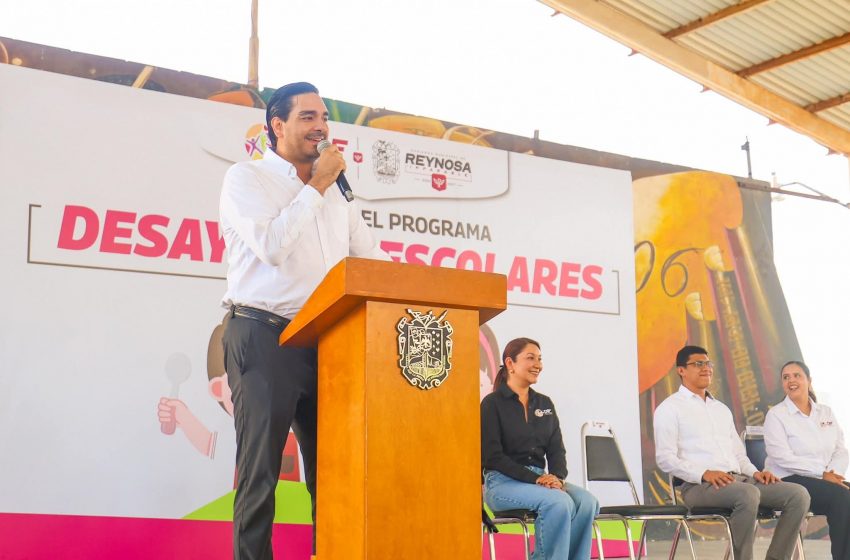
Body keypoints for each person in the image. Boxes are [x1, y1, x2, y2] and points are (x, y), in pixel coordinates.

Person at [219, 81, 386, 560]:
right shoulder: (246, 179)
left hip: (327, 342)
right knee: (261, 473)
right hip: (263, 333)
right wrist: (315, 186)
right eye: (308, 117)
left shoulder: (336, 194)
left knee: (333, 475)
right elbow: (271, 247)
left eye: (324, 119)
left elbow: (370, 261)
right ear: (277, 125)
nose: (321, 128)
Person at [654, 345, 810, 560]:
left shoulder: (720, 409)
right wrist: (704, 473)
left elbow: (738, 454)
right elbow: (665, 459)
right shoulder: (669, 408)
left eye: (708, 364)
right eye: (698, 364)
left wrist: (755, 473)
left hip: (739, 481)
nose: (706, 368)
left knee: (798, 495)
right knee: (747, 494)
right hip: (698, 487)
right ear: (681, 370)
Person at [481, 337, 599, 559]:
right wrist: (537, 480)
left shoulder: (544, 403)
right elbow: (492, 457)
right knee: (559, 502)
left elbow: (556, 450)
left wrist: (557, 478)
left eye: (540, 358)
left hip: (541, 481)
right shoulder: (492, 404)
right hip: (502, 483)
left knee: (587, 501)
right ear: (510, 363)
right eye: (530, 358)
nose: (538, 364)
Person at [764, 360, 850, 560]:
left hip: (824, 478)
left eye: (797, 376)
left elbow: (841, 449)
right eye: (786, 377)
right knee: (841, 498)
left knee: (845, 495)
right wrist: (822, 474)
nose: (791, 380)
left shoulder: (825, 412)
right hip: (788, 479)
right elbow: (783, 458)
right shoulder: (776, 415)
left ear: (809, 381)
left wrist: (833, 473)